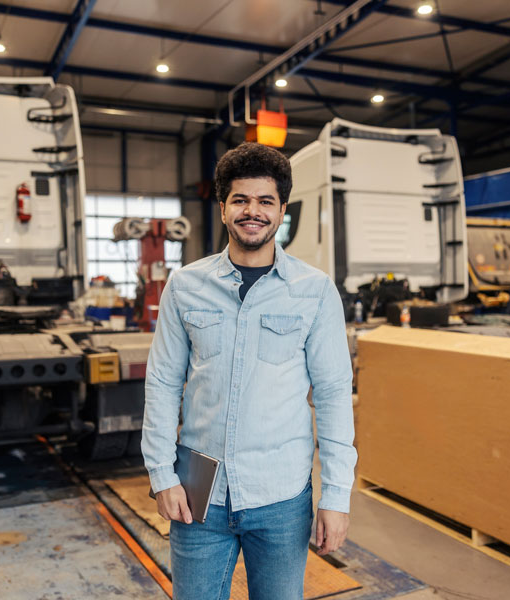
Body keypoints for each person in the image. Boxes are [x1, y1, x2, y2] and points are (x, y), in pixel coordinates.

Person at [142, 142, 356, 600]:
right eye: (240, 200)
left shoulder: (314, 292)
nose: (252, 211)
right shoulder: (186, 286)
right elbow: (162, 384)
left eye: (265, 201)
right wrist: (161, 474)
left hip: (280, 493)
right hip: (198, 490)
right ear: (222, 208)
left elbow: (334, 394)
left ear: (282, 210)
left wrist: (337, 496)